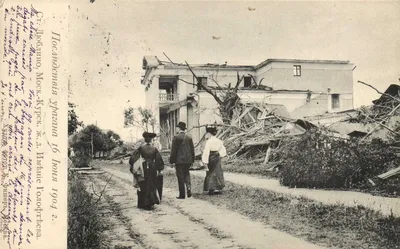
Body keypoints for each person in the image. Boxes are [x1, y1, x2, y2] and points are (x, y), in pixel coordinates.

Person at [129, 132, 164, 210]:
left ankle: (142, 203)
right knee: (151, 184)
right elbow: (158, 160)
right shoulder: (154, 149)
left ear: (145, 140)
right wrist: (160, 169)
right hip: (152, 167)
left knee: (142, 184)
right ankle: (150, 202)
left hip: (143, 167)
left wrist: (139, 162)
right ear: (151, 140)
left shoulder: (141, 148)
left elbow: (133, 159)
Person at [169, 121, 195, 199]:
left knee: (180, 177)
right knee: (186, 174)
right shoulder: (189, 137)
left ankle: (182, 194)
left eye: (177, 127)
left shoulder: (176, 137)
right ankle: (189, 187)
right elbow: (192, 150)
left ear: (179, 128)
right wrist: (192, 160)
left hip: (179, 161)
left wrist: (172, 161)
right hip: (188, 160)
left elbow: (173, 151)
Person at [202, 125, 227, 195]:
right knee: (217, 171)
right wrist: (219, 154)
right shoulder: (219, 141)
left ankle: (211, 188)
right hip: (217, 156)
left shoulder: (209, 142)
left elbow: (206, 152)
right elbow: (223, 150)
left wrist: (205, 161)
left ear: (209, 133)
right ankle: (218, 187)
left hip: (211, 156)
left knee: (211, 172)